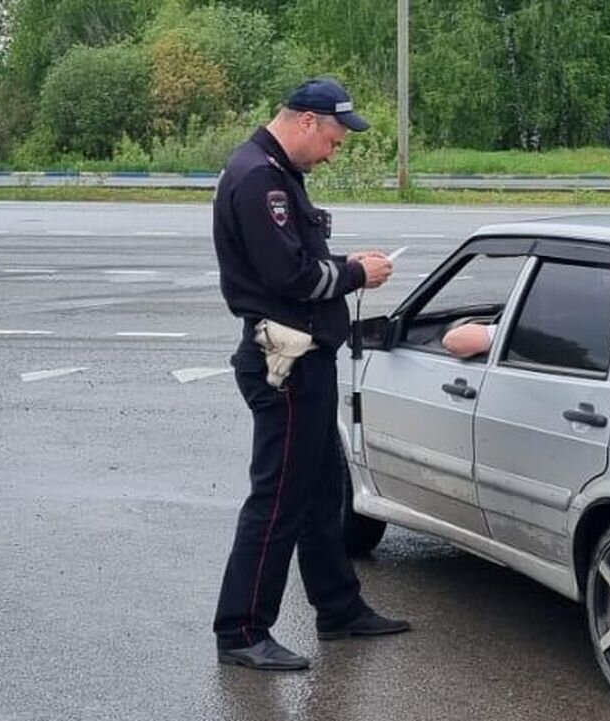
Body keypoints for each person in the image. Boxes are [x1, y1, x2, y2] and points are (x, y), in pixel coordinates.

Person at [211, 78, 410, 672]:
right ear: (304, 121)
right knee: (278, 500)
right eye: (333, 137)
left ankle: (339, 608)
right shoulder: (259, 181)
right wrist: (355, 274)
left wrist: (346, 266)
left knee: (324, 490)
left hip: (305, 358)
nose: (335, 149)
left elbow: (301, 261)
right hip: (287, 365)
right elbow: (291, 278)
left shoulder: (277, 174)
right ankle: (242, 629)